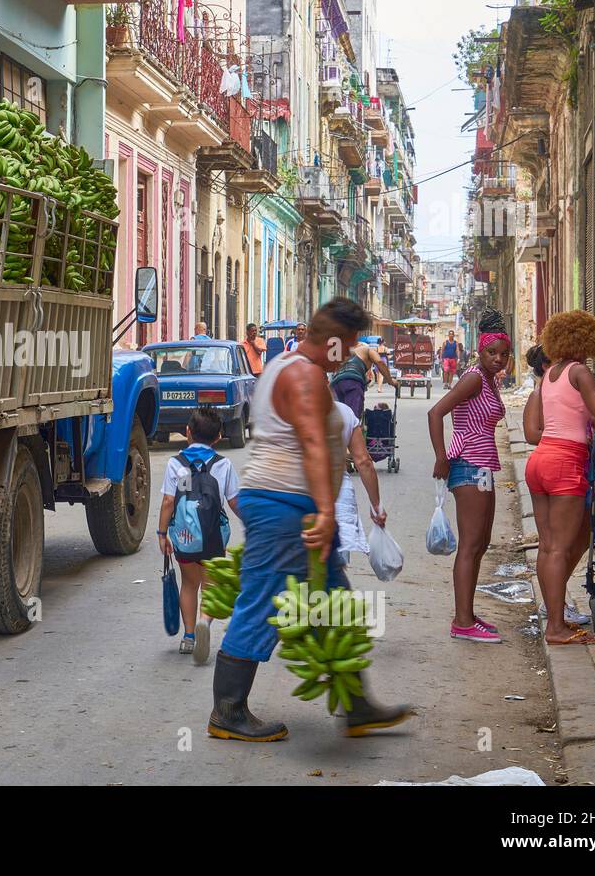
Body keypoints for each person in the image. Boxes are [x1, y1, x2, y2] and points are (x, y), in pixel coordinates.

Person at [208, 297, 411, 743]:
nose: (354, 353)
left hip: (290, 504)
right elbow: (317, 445)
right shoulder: (305, 377)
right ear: (334, 342)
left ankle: (357, 706)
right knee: (263, 599)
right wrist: (323, 511)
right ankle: (227, 710)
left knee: (333, 600)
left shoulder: (285, 363)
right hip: (282, 505)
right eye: (352, 344)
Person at [525, 321, 595, 645]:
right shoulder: (580, 372)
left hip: (540, 461)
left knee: (547, 547)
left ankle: (555, 619)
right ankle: (555, 627)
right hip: (566, 461)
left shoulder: (549, 375)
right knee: (561, 547)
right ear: (584, 340)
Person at [428, 310, 511, 643]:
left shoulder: (490, 380)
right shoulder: (474, 377)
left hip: (484, 467)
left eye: (504, 354)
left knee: (481, 544)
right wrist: (440, 458)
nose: (498, 359)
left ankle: (469, 614)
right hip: (469, 464)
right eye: (492, 353)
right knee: (471, 544)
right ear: (480, 351)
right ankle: (462, 622)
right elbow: (436, 412)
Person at [157, 408, 240, 665]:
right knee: (211, 585)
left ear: (188, 432)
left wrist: (162, 534)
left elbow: (169, 501)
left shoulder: (176, 464)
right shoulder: (223, 464)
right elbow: (235, 502)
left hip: (184, 538)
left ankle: (189, 635)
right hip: (214, 537)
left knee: (189, 584)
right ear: (218, 437)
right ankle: (205, 621)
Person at [335, 400, 386, 565]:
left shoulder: (289, 411)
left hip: (298, 499)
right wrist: (376, 506)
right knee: (335, 573)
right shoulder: (344, 411)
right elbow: (363, 462)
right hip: (339, 500)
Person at [329, 339, 394, 419]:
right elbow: (380, 363)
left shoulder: (348, 354)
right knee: (353, 419)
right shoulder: (368, 350)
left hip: (336, 384)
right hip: (352, 382)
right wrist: (391, 381)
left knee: (339, 418)